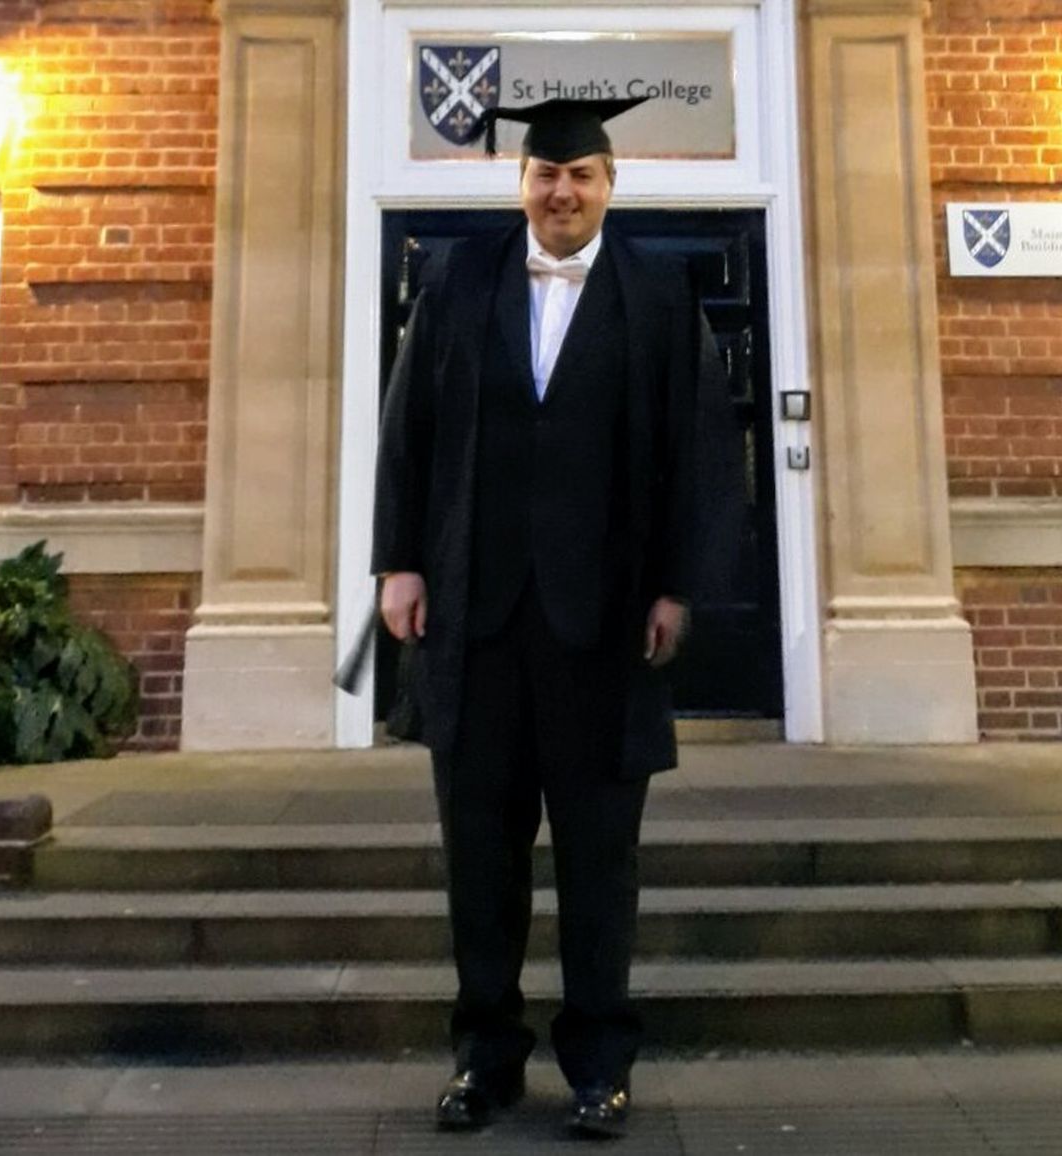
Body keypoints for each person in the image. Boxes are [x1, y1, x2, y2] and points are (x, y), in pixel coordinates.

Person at [372, 95, 736, 1139]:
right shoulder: (458, 279)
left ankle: (599, 1065)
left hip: (605, 626)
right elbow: (410, 429)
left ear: (609, 186)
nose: (561, 192)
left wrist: (677, 586)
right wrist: (398, 563)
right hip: (474, 619)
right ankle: (483, 1059)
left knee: (597, 858)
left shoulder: (658, 298)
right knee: (477, 855)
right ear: (520, 185)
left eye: (580, 176)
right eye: (545, 175)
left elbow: (699, 453)